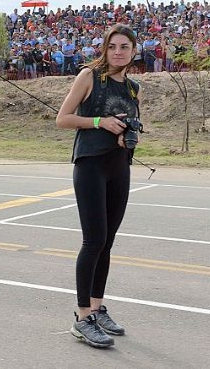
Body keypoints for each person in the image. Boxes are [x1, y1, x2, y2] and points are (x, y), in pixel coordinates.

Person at [56, 23, 141, 348]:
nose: (118, 52)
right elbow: (62, 119)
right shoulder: (89, 77)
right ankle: (81, 318)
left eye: (125, 47)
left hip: (119, 166)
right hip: (90, 165)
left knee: (107, 242)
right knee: (93, 241)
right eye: (113, 46)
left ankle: (96, 306)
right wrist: (99, 122)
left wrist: (124, 135)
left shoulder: (133, 87)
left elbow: (126, 125)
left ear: (134, 52)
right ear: (104, 49)